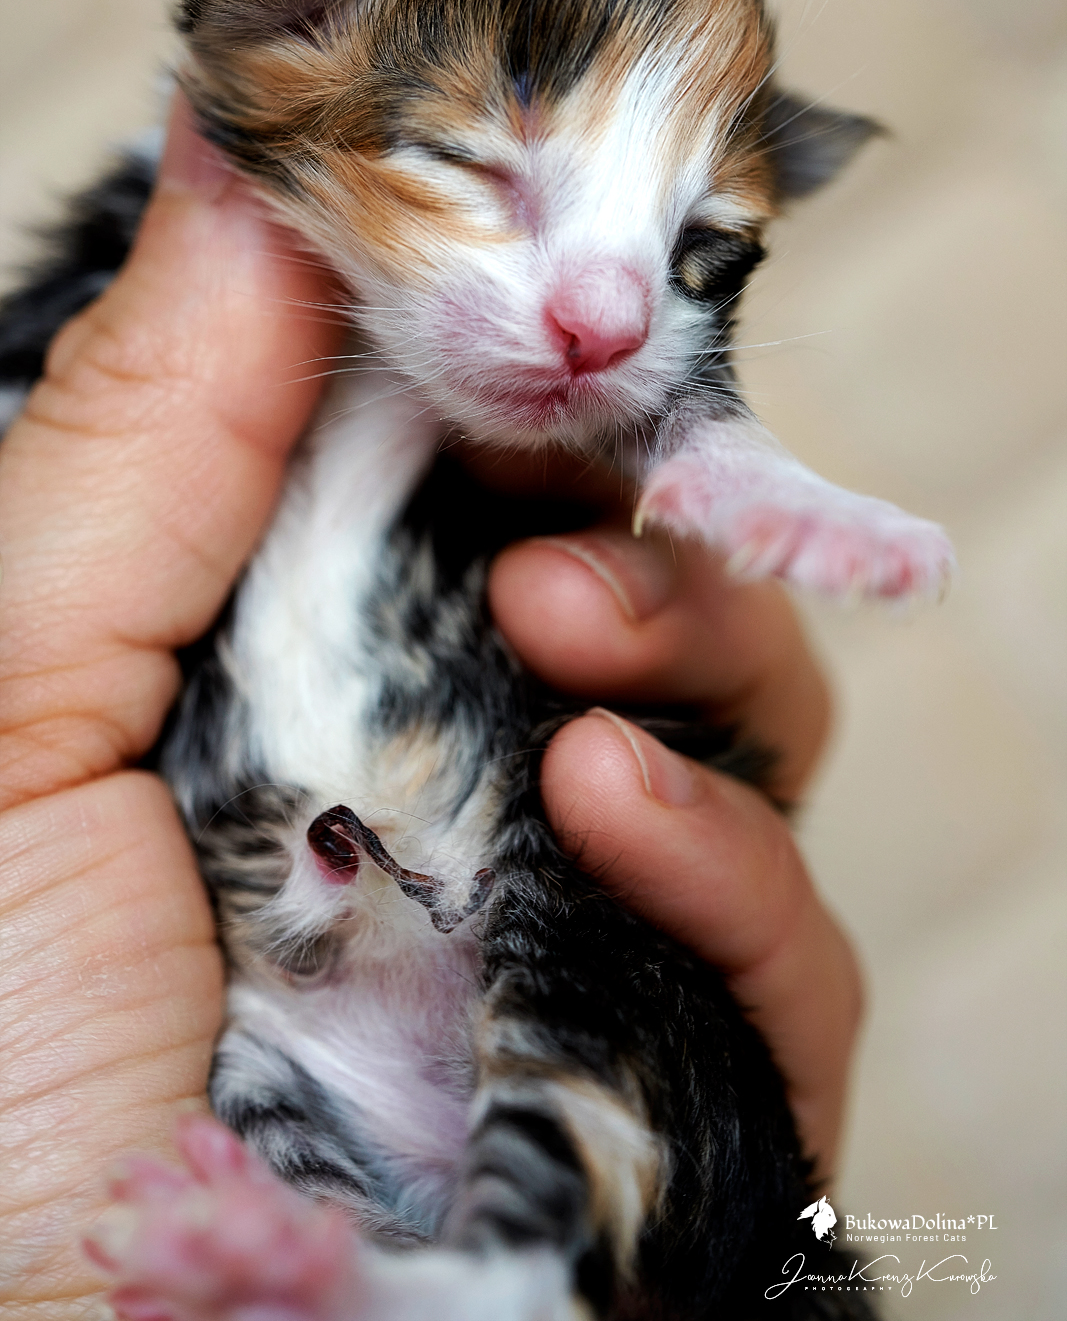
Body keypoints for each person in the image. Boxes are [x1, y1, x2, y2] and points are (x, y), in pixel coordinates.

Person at [0, 99, 863, 1312]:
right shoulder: (232, 216)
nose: (593, 310)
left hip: (442, 901)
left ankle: (508, 1261)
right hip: (283, 1024)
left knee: (590, 908)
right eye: (490, 177)